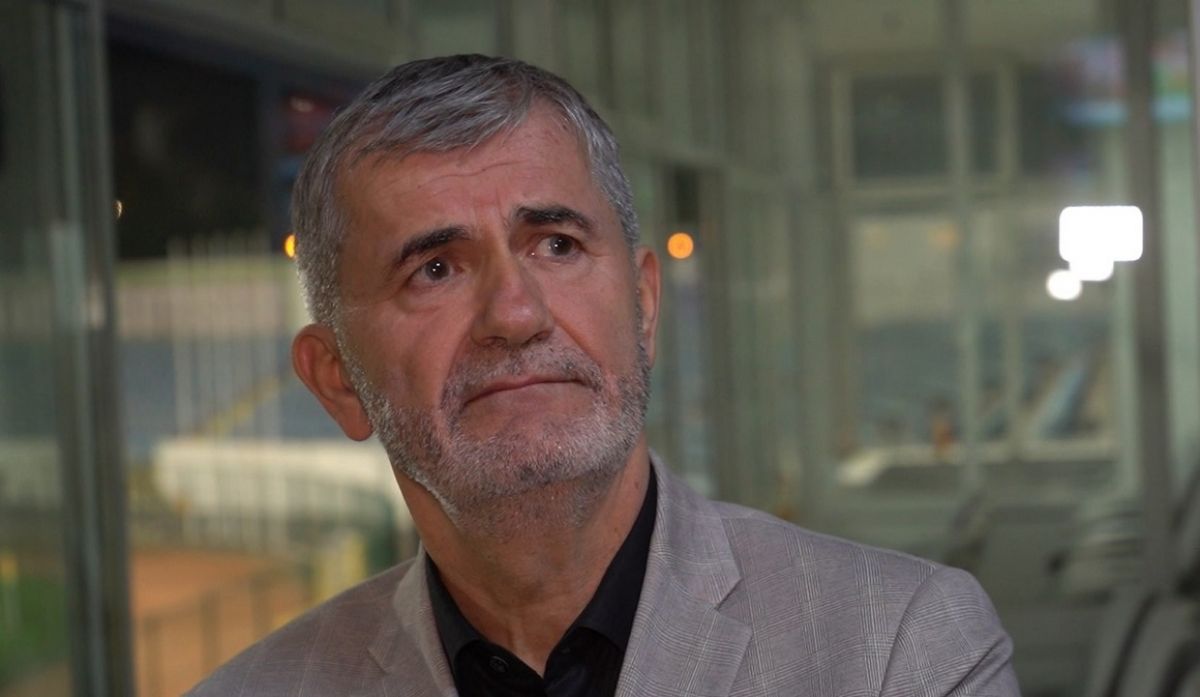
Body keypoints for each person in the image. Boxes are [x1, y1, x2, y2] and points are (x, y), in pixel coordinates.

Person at [188, 54, 1020, 697]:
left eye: (557, 245)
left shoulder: (900, 648)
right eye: (434, 269)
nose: (516, 313)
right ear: (336, 378)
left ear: (645, 305)